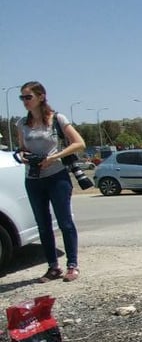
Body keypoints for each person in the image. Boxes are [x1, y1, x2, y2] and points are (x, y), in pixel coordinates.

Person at [16, 81, 86, 282]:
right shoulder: (22, 124)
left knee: (65, 222)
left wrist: (55, 157)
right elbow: (22, 148)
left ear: (41, 97)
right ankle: (52, 267)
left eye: (28, 97)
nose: (25, 102)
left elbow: (79, 143)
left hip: (57, 177)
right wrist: (22, 155)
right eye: (22, 98)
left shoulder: (57, 119)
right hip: (33, 178)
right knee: (43, 225)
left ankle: (72, 265)